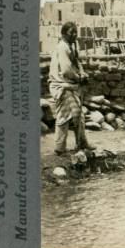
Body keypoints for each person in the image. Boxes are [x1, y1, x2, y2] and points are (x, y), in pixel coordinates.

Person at [49, 22, 93, 155]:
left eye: (75, 32)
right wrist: (79, 78)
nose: (75, 35)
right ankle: (59, 148)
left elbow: (76, 64)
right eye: (71, 32)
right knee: (64, 116)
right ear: (63, 34)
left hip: (69, 85)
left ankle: (81, 143)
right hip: (62, 86)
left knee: (78, 115)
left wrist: (82, 73)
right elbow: (67, 70)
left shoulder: (70, 47)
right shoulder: (62, 47)